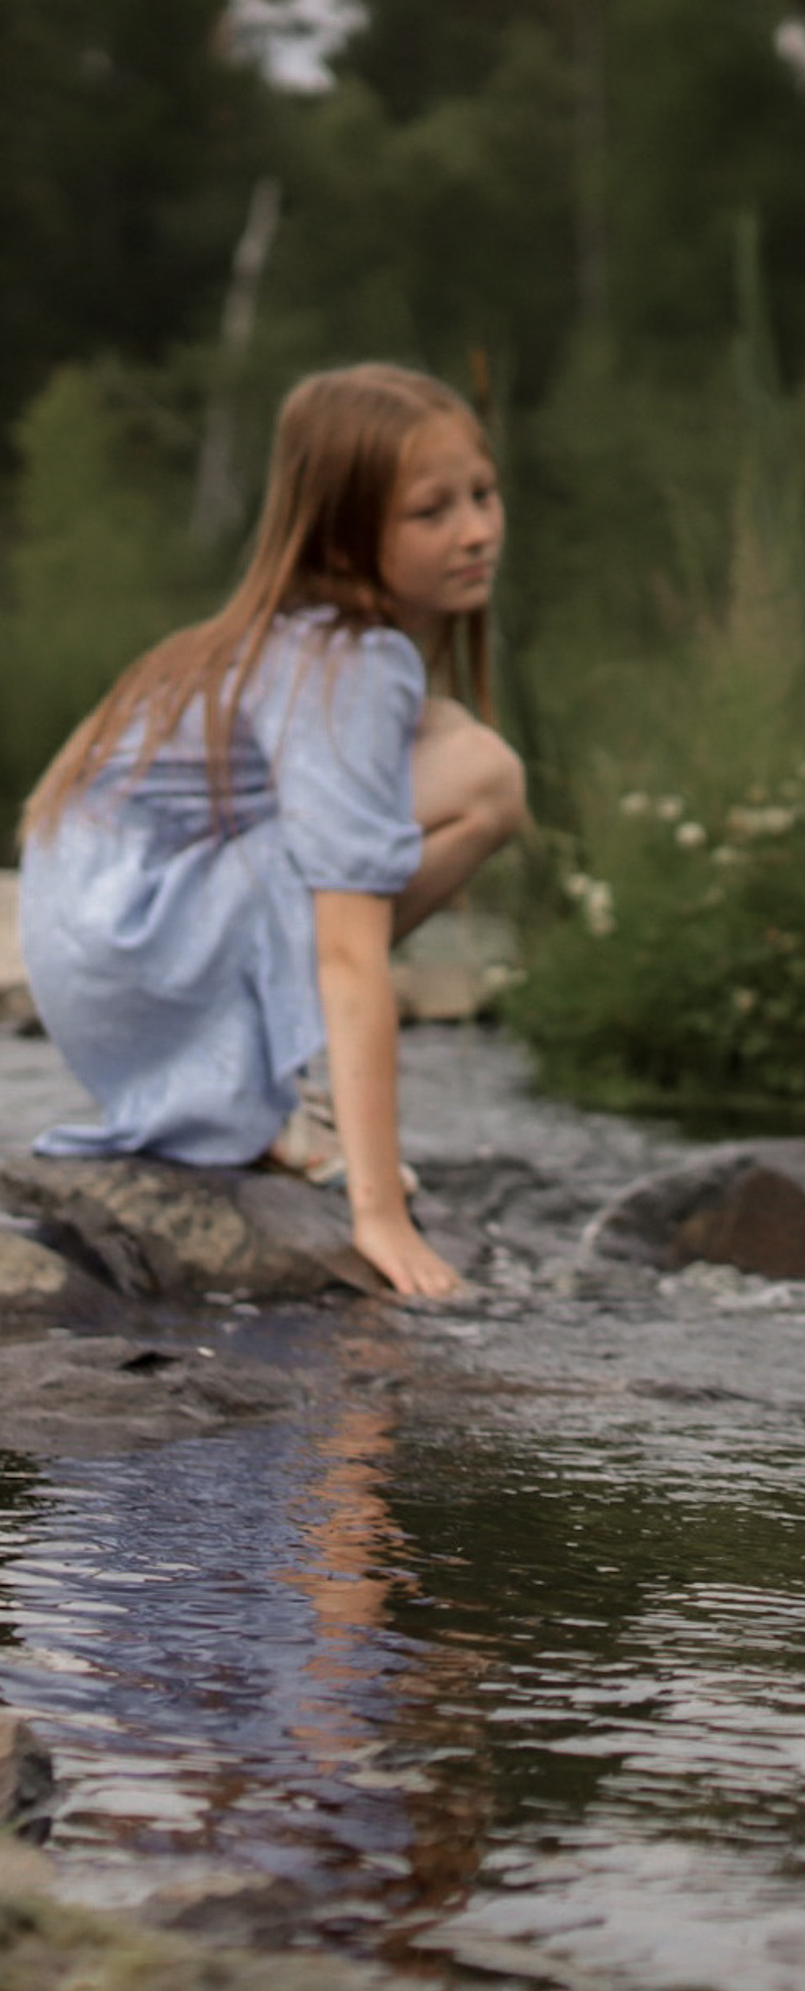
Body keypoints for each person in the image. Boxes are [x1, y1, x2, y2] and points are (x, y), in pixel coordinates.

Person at [15, 365, 528, 1301]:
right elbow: (349, 955)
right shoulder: (346, 662)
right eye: (432, 511)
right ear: (342, 530)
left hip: (99, 963)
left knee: (453, 740)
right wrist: (379, 1211)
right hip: (141, 947)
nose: (476, 531)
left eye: (483, 495)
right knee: (486, 778)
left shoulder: (278, 639)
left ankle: (248, 1084)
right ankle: (268, 1096)